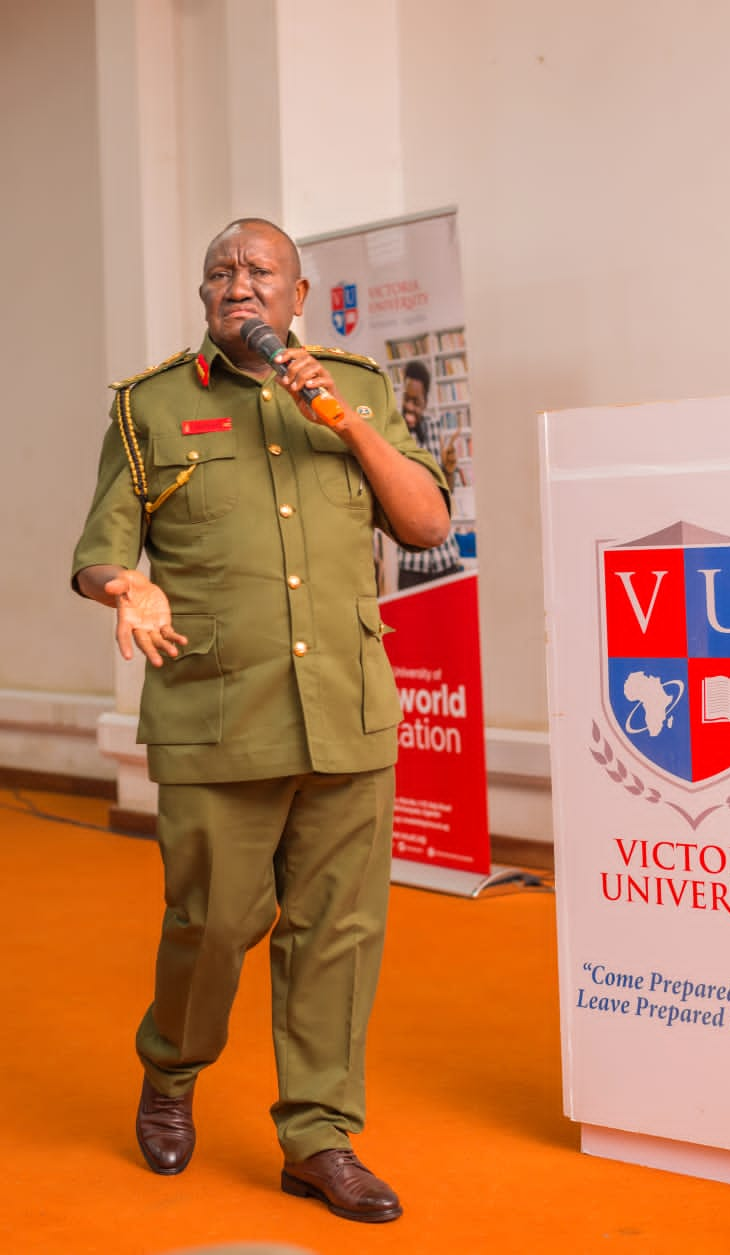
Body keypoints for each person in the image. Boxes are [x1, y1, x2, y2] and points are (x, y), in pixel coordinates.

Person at [71, 218, 451, 1225]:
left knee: (338, 931)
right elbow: (100, 546)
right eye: (220, 273)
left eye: (259, 272)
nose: (237, 285)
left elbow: (425, 524)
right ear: (204, 296)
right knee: (214, 923)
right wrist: (123, 589)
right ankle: (173, 1068)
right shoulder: (151, 406)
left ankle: (320, 1135)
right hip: (215, 715)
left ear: (299, 294)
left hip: (348, 713)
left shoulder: (359, 387)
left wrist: (347, 423)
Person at [397, 359, 465, 589]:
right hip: (411, 564)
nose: (409, 406)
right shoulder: (392, 434)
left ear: (426, 402)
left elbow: (447, 493)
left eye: (416, 401)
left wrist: (448, 469)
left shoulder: (436, 430)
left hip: (445, 558)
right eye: (407, 399)